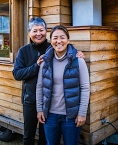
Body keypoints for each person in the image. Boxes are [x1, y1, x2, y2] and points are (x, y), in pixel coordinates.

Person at [12, 17, 84, 145]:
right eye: (35, 31)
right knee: (29, 134)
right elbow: (17, 74)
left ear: (46, 32)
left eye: (41, 30)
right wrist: (36, 66)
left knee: (45, 137)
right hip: (31, 100)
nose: (38, 34)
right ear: (29, 33)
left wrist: (76, 52)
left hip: (49, 103)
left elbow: (63, 45)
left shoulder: (51, 48)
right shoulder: (24, 51)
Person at [36, 25, 90, 145]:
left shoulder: (78, 61)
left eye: (62, 37)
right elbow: (40, 86)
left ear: (68, 40)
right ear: (51, 41)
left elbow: (85, 88)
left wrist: (82, 113)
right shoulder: (45, 62)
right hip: (50, 116)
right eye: (55, 38)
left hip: (71, 117)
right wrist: (40, 109)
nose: (59, 41)